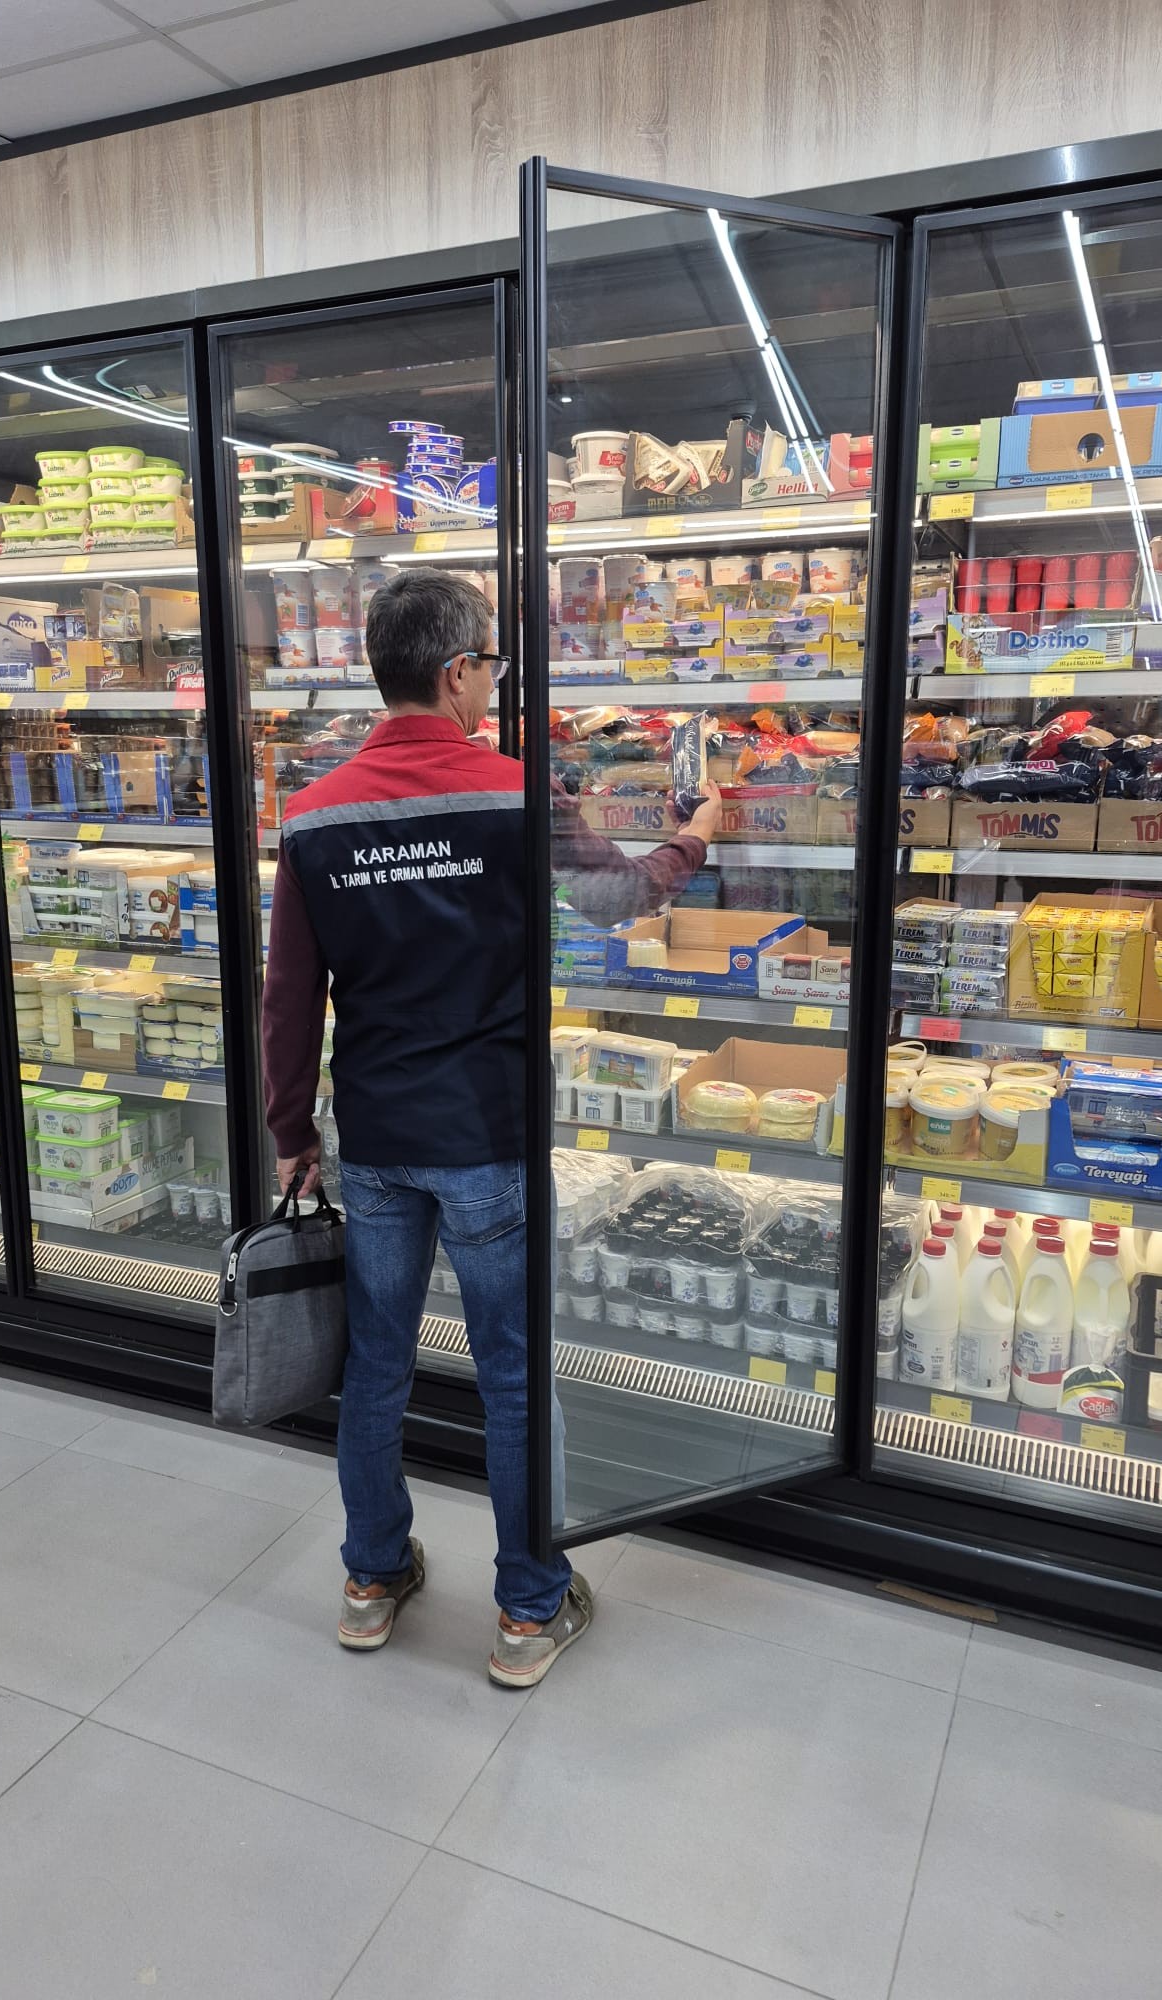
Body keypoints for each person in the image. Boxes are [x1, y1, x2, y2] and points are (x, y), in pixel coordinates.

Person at [263, 569, 716, 1686]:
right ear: (458, 670)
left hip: (376, 1133)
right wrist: (693, 839)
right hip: (488, 1133)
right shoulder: (517, 793)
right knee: (511, 1375)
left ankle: (371, 1579)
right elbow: (619, 900)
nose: (492, 684)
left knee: (376, 1366)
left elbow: (289, 998)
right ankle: (526, 1610)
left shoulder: (315, 815)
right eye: (491, 667)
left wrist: (290, 1127)